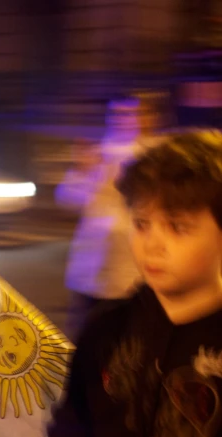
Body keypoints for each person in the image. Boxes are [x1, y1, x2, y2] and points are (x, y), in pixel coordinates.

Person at [46, 129, 222, 437]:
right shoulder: (107, 330)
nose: (152, 244)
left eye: (178, 227)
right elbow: (72, 423)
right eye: (142, 223)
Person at [56, 96, 155, 341]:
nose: (121, 120)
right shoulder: (95, 154)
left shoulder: (149, 157)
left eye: (128, 115)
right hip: (91, 266)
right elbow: (67, 197)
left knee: (127, 337)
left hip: (130, 267)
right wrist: (82, 170)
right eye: (116, 114)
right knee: (86, 336)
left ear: (140, 120)